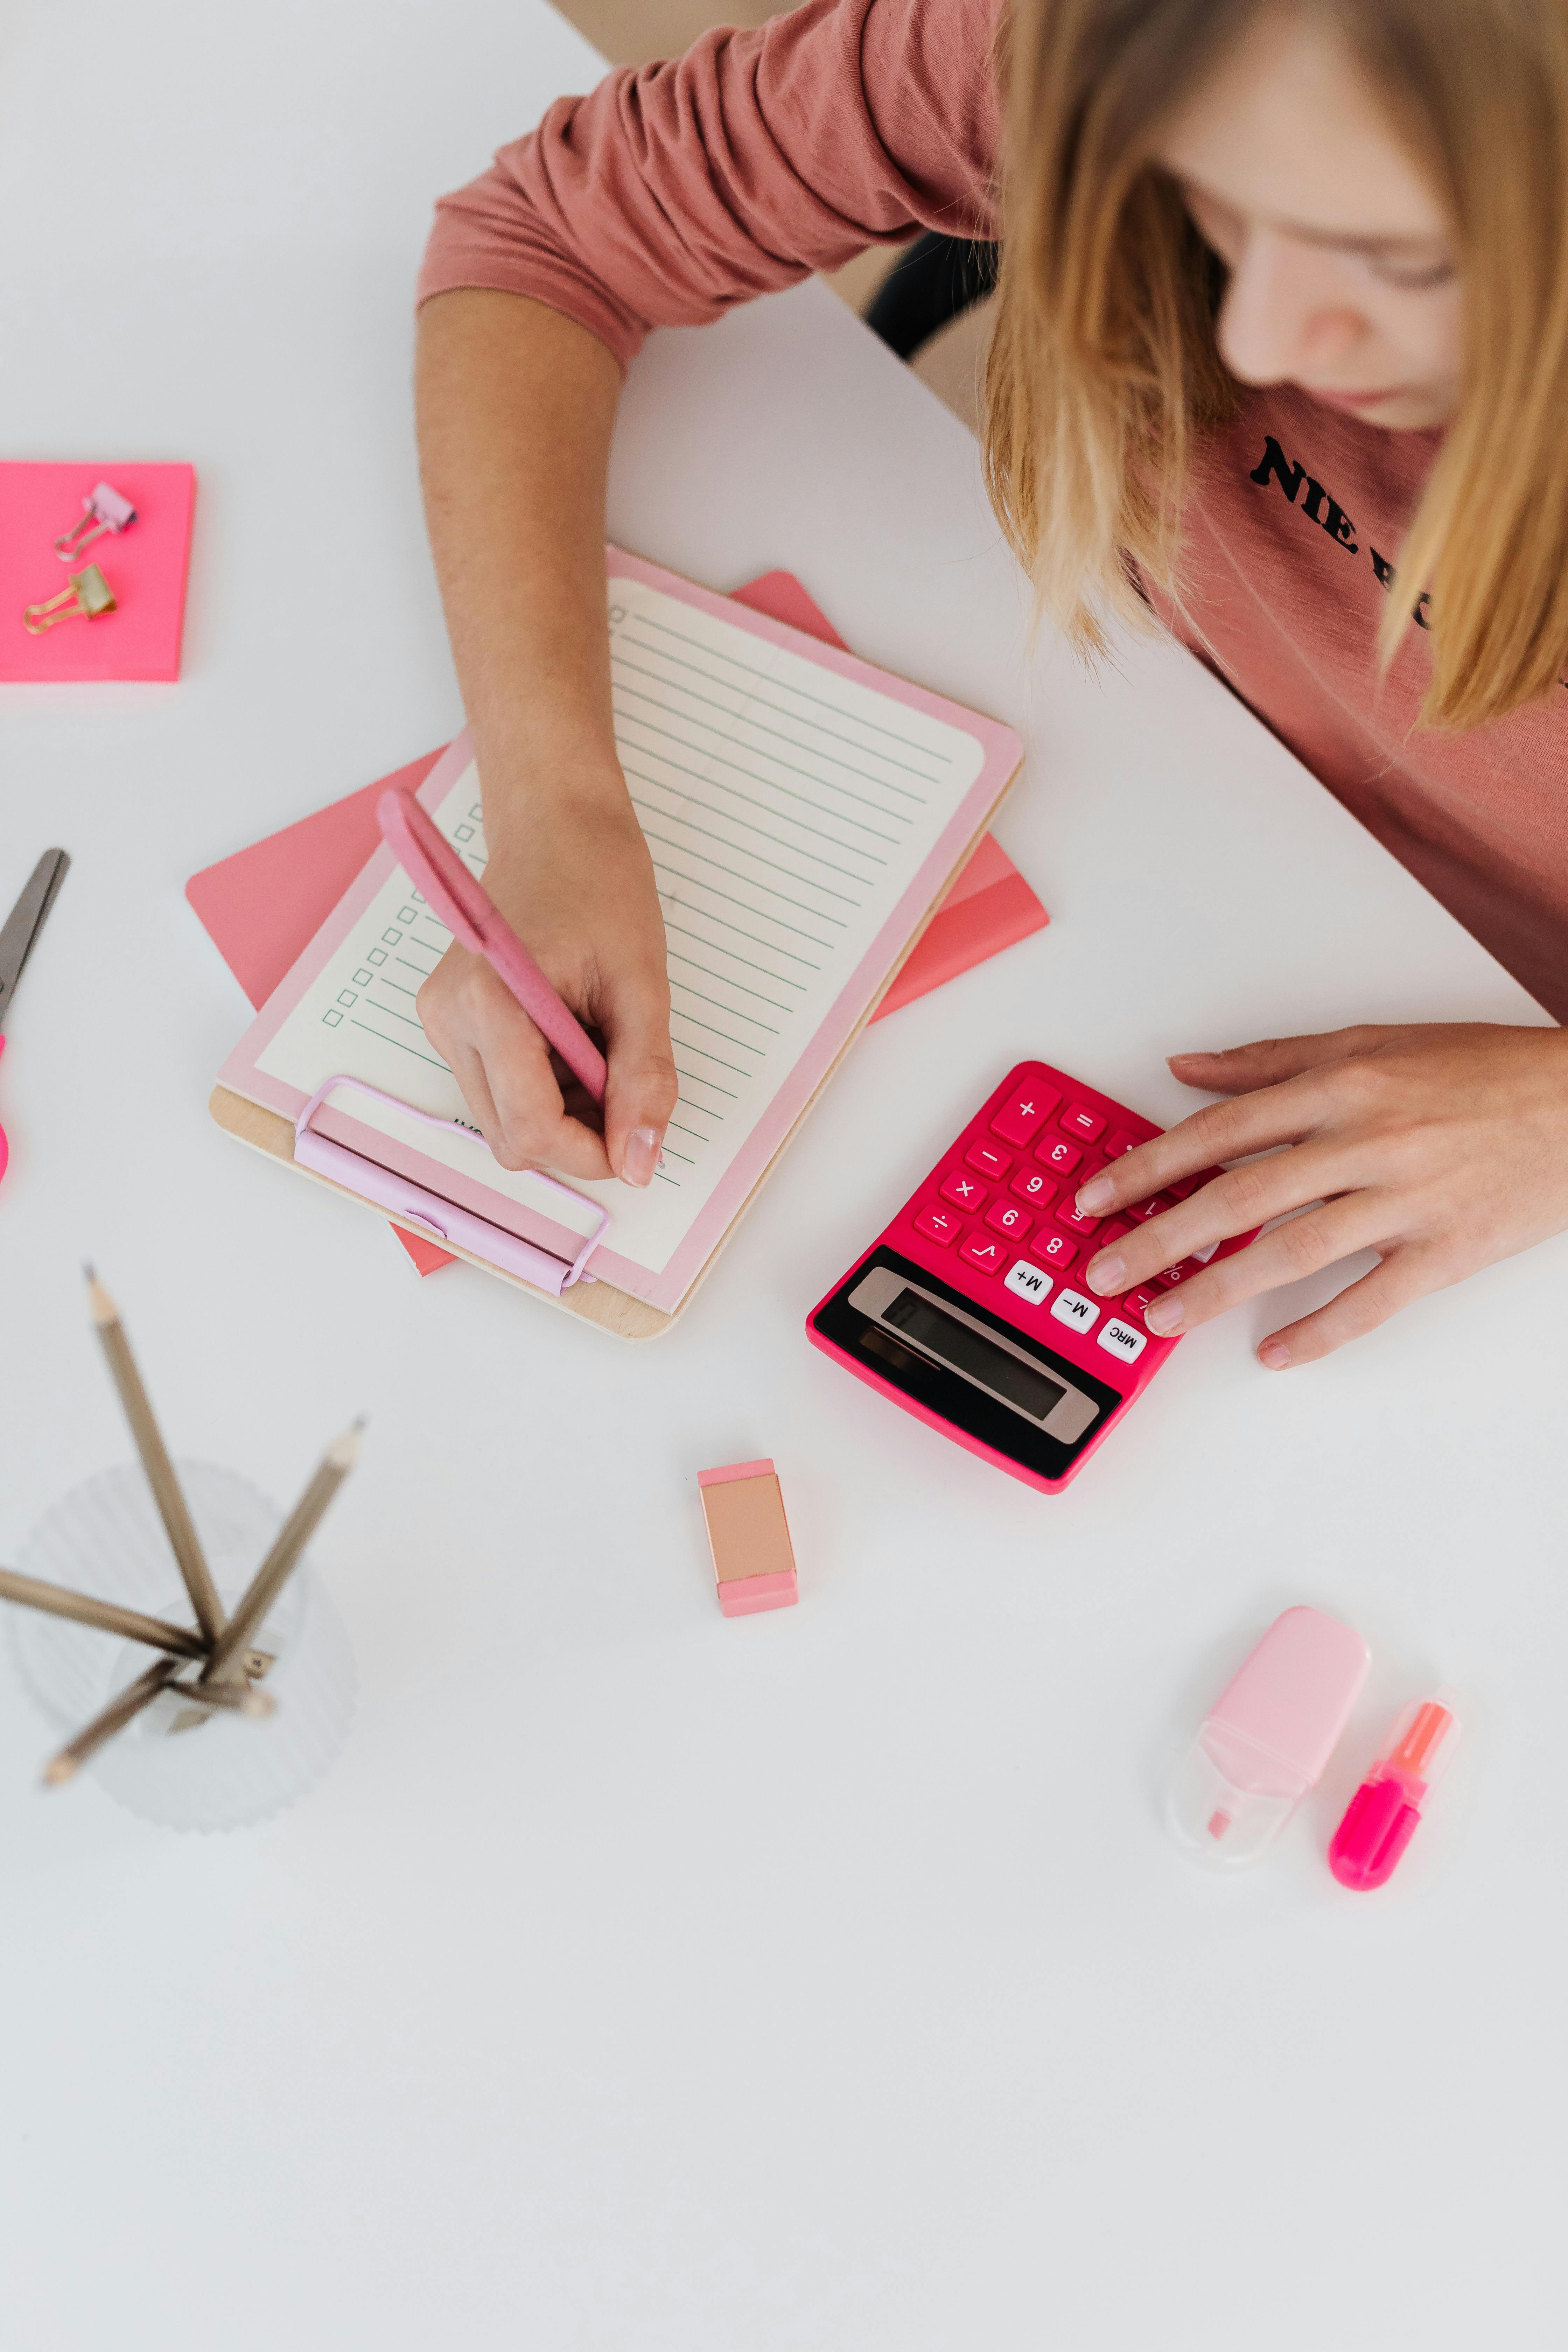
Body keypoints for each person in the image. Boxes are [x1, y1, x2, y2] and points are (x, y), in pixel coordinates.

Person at [412, 0, 1568, 1370]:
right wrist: (550, 799)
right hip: (1176, 777)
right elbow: (545, 241)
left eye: (1392, 263)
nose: (1254, 341)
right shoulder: (1144, 34)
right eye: (1216, 205)